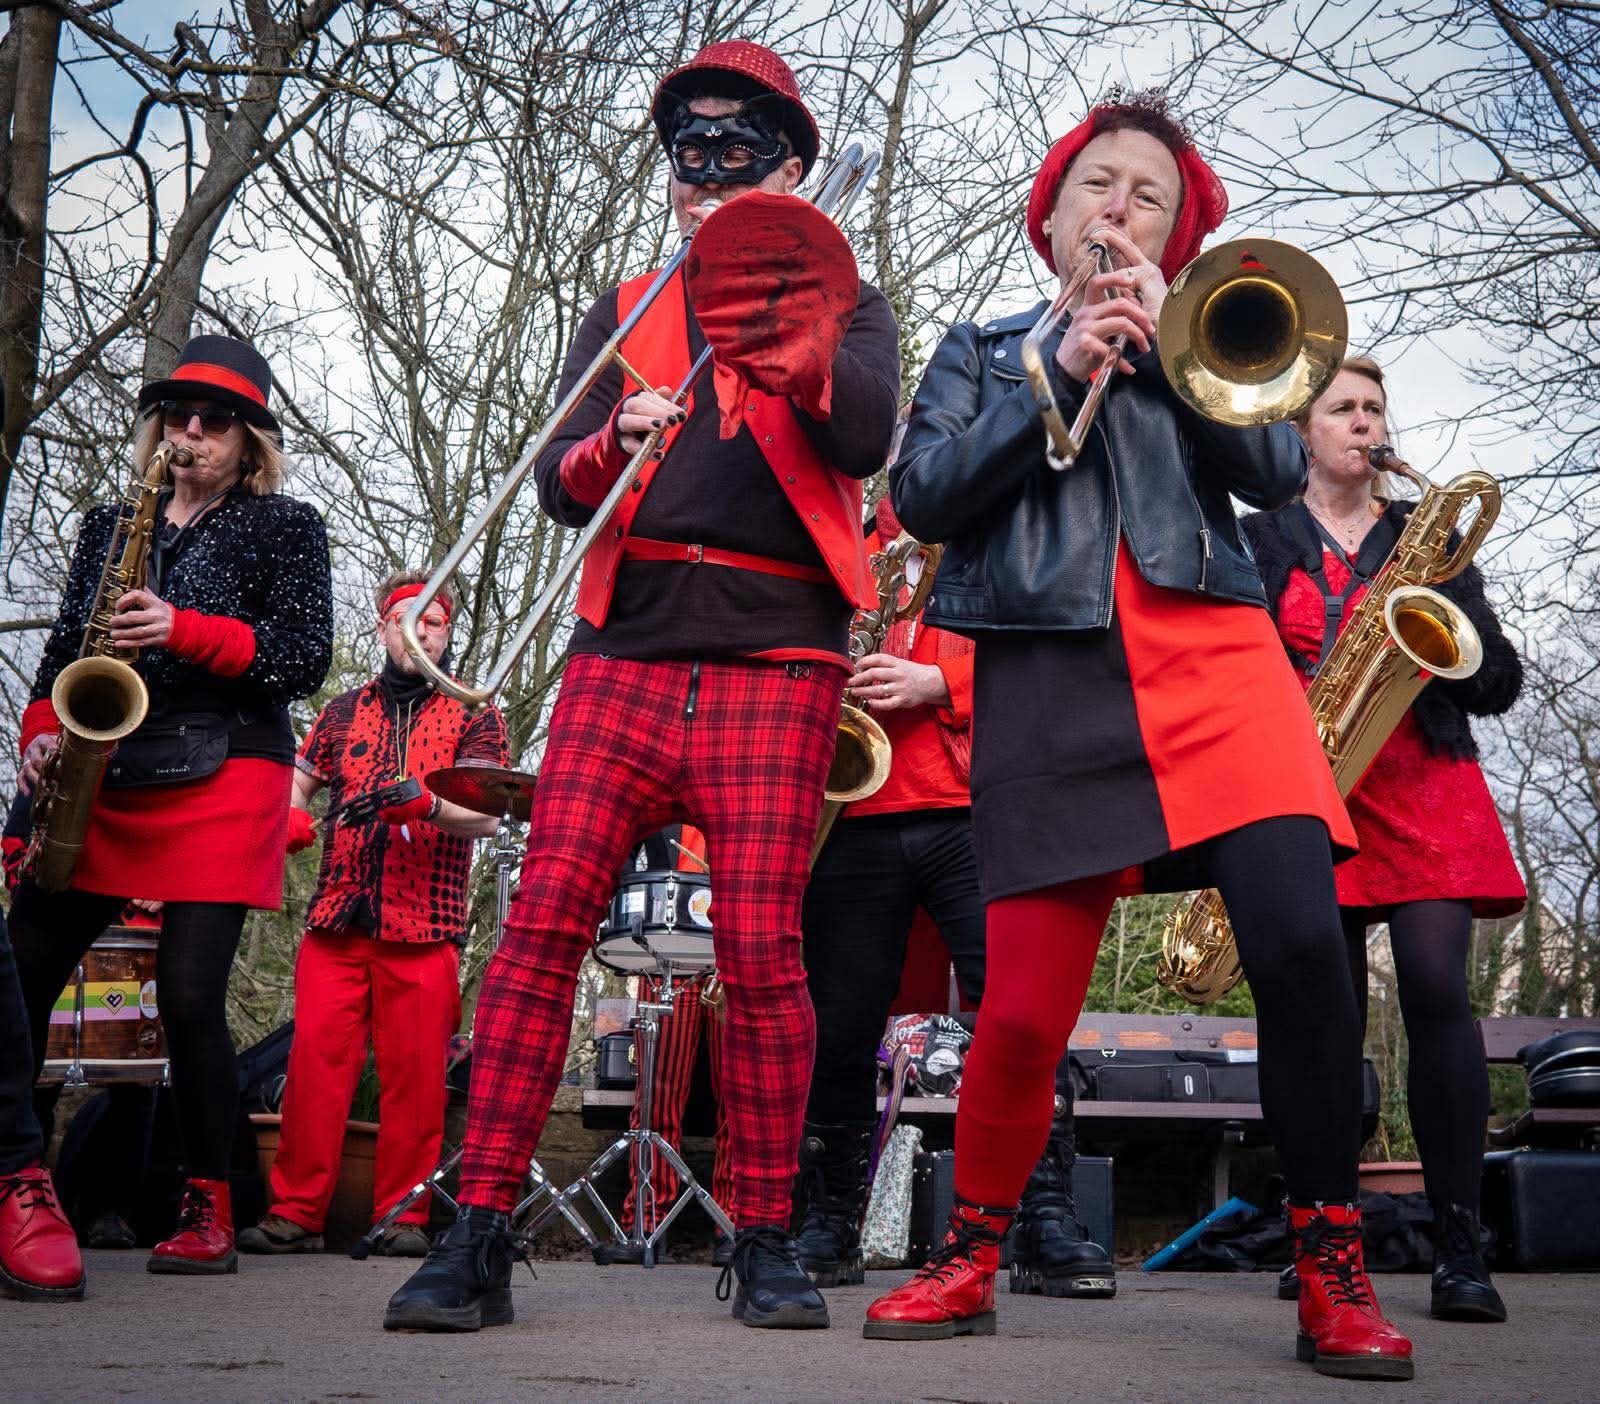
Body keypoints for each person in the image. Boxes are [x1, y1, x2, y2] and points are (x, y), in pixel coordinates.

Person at [863, 91, 1415, 1382]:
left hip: (1220, 666)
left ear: (1177, 235)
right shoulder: (979, 350)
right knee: (1020, 1013)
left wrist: (1165, 345)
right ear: (1051, 216)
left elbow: (1273, 477)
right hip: (1049, 680)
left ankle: (1331, 1269)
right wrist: (1056, 370)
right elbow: (923, 496)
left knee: (1304, 955)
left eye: (1149, 195)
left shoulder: (1207, 340)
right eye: (1098, 184)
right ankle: (973, 1256)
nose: (1119, 206)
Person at [383, 39, 899, 1334]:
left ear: (790, 169)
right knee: (543, 925)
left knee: (763, 952)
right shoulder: (623, 304)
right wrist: (608, 439)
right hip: (626, 650)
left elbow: (864, 435)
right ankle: (479, 1229)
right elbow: (559, 488)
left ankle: (765, 1234)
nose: (706, 169)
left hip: (778, 655)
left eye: (736, 147)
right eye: (688, 149)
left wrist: (784, 328)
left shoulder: (851, 304)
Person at [7, 334, 333, 1278]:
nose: (191, 431)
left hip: (229, 768)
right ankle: (13, 1176)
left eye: (215, 420)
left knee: (188, 995)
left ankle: (208, 1202)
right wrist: (42, 730)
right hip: (111, 763)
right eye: (178, 415)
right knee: (23, 967)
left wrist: (183, 629)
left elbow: (302, 658)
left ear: (248, 440)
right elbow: (64, 653)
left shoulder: (286, 525)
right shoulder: (112, 525)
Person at [1242, 356, 1524, 1323]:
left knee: (1439, 991)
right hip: (1308, 784)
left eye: (1375, 408)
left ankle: (1459, 1245)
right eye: (1344, 409)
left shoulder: (1427, 537)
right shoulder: (1258, 537)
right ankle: (1323, 1234)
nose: (1365, 423)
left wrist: (1445, 641)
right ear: (1301, 433)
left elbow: (1498, 680)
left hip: (1425, 782)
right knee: (1320, 1016)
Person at [795, 498, 1114, 1297]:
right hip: (851, 815)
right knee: (838, 1028)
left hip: (977, 809)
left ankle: (1043, 1215)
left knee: (1021, 1014)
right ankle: (828, 1220)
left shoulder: (1007, 538)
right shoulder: (838, 546)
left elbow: (1057, 646)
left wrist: (942, 681)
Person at [237, 569, 508, 1258]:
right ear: (384, 628)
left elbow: (489, 816)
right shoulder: (340, 711)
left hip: (425, 926)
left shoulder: (477, 714)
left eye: (433, 623)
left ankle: (404, 1217)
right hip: (336, 921)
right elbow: (298, 782)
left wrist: (429, 804)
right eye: (405, 621)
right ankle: (295, 1213)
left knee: (416, 1084)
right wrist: (290, 817)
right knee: (312, 1075)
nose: (419, 635)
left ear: (447, 634)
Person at [594, 824, 737, 1267]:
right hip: (663, 948)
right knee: (655, 1096)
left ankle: (737, 1225)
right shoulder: (661, 795)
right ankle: (645, 1222)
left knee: (740, 1098)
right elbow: (618, 844)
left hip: (739, 944)